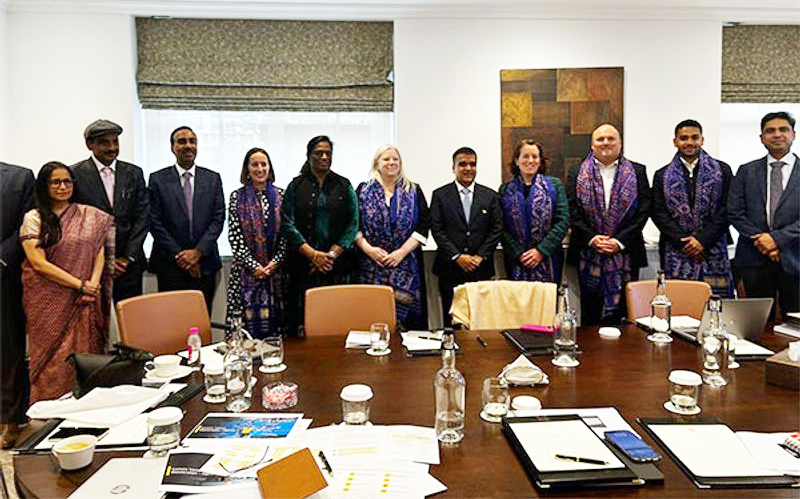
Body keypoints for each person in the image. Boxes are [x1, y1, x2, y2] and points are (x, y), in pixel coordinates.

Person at [20, 162, 113, 403]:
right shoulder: (34, 218)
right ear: (44, 185)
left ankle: (88, 409)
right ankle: (48, 413)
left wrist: (93, 284)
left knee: (87, 355)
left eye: (67, 181)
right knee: (52, 360)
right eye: (56, 182)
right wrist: (79, 284)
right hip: (48, 299)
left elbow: (98, 251)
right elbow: (38, 263)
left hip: (86, 298)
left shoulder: (90, 215)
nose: (62, 186)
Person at [567, 123, 651, 325]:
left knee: (624, 316)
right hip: (588, 253)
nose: (605, 142)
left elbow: (644, 209)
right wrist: (592, 239)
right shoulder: (577, 172)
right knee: (590, 315)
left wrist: (619, 241)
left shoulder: (637, 171)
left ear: (620, 143)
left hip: (626, 252)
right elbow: (572, 209)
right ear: (592, 145)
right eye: (600, 139)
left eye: (611, 138)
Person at [281, 136, 359, 335]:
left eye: (328, 153)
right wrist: (313, 255)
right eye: (318, 153)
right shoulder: (295, 186)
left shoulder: (344, 185)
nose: (324, 157)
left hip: (338, 266)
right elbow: (287, 223)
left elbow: (353, 223)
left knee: (337, 321)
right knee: (302, 323)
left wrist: (330, 255)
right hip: (302, 266)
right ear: (309, 156)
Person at [728, 111, 799, 317]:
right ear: (761, 137)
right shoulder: (746, 171)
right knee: (756, 323)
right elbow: (734, 211)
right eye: (770, 131)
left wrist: (775, 239)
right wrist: (762, 240)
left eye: (783, 129)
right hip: (753, 258)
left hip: (795, 257)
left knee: (795, 323)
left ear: (793, 134)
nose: (777, 135)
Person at [652, 119, 734, 297]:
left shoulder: (722, 170)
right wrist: (685, 242)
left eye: (694, 137)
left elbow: (727, 209)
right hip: (676, 248)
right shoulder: (662, 175)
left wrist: (702, 240)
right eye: (684, 138)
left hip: (713, 246)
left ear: (702, 140)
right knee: (680, 301)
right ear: (675, 141)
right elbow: (658, 213)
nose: (689, 142)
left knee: (715, 301)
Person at [71, 119, 150, 302]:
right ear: (90, 145)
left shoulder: (134, 173)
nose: (112, 148)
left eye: (115, 142)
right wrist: (104, 261)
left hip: (129, 265)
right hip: (91, 265)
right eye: (104, 143)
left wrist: (127, 257)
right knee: (94, 318)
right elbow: (74, 222)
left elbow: (143, 217)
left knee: (130, 316)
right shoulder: (74, 174)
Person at [149, 126, 225, 313]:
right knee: (173, 320)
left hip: (205, 264)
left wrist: (197, 253)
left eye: (192, 141)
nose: (188, 146)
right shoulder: (157, 179)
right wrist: (181, 256)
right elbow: (154, 221)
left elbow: (218, 218)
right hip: (170, 265)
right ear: (173, 147)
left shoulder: (212, 179)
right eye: (182, 142)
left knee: (201, 319)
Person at [356, 145, 431, 330]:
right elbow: (353, 226)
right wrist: (369, 250)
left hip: (406, 266)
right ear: (377, 164)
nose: (391, 163)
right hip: (372, 266)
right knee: (374, 321)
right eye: (386, 159)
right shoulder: (363, 191)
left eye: (395, 159)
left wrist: (401, 253)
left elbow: (423, 226)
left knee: (409, 329)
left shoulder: (413, 190)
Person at [430, 147, 503, 326]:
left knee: (481, 320)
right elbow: (437, 230)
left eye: (472, 164)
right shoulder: (440, 195)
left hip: (481, 268)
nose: (468, 168)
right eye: (462, 164)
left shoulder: (490, 196)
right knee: (452, 320)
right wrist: (457, 256)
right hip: (450, 269)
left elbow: (496, 229)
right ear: (453, 168)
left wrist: (480, 256)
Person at [226, 148, 287, 337]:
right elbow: (235, 238)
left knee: (277, 333)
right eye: (254, 164)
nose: (260, 169)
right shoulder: (236, 197)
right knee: (244, 334)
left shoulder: (282, 196)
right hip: (245, 274)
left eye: (263, 164)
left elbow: (287, 235)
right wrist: (254, 267)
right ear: (247, 169)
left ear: (270, 167)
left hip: (276, 274)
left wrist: (274, 263)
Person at [499, 139, 569, 284]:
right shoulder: (505, 190)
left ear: (540, 161)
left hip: (548, 258)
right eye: (525, 156)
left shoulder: (555, 185)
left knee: (546, 298)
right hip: (516, 261)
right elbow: (500, 225)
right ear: (516, 161)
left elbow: (562, 221)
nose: (530, 161)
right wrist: (518, 253)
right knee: (518, 298)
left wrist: (540, 251)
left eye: (535, 157)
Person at [0, 162, 34, 447]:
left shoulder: (19, 178)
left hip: (5, 275)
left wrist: (2, 256)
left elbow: (27, 222)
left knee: (8, 348)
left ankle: (10, 418)